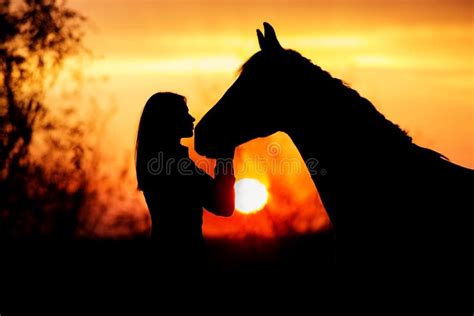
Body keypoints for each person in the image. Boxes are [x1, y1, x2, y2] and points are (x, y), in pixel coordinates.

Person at [135, 92, 235, 259]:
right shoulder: (175, 167)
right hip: (184, 257)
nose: (192, 118)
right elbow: (223, 206)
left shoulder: (159, 163)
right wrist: (225, 156)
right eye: (184, 113)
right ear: (168, 120)